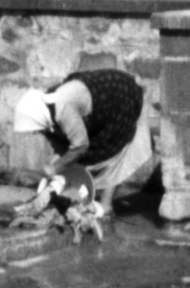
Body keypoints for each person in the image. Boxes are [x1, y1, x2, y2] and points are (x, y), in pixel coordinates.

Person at [12, 69, 153, 216]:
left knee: (113, 151)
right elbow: (62, 146)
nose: (35, 133)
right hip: (101, 100)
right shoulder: (47, 112)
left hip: (121, 95)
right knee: (78, 155)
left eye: (35, 128)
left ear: (38, 117)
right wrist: (56, 165)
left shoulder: (63, 107)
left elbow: (80, 146)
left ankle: (106, 206)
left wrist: (56, 167)